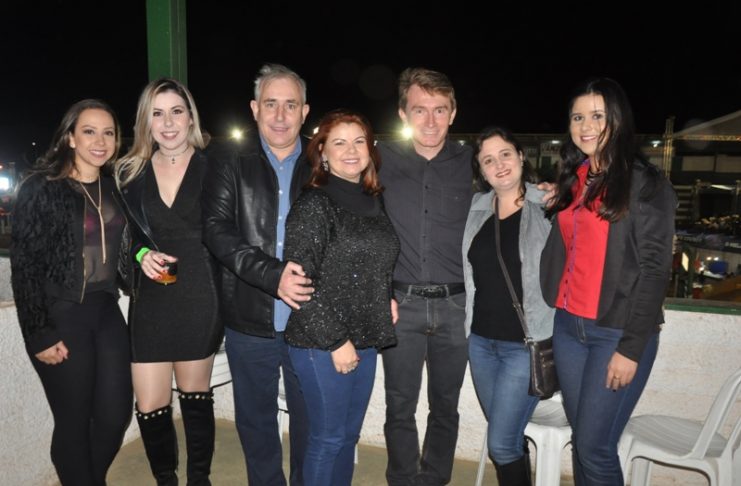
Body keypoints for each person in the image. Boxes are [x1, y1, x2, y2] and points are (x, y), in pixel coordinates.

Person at [540, 77, 676, 485]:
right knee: (584, 443)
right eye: (577, 117)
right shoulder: (575, 179)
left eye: (597, 116)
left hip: (615, 332)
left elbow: (655, 271)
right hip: (568, 327)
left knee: (594, 449)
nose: (586, 126)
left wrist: (630, 349)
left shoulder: (645, 184)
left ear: (618, 120)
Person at [10, 99, 132, 485]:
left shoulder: (115, 188)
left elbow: (129, 248)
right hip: (61, 313)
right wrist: (39, 334)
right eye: (89, 131)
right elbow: (24, 267)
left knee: (115, 415)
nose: (100, 141)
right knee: (73, 421)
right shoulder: (42, 188)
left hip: (106, 310)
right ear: (70, 138)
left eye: (108, 133)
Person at [202, 63, 311, 486]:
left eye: (291, 105)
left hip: (309, 321)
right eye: (271, 104)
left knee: (310, 422)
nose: (280, 115)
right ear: (254, 108)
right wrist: (273, 276)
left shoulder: (323, 162)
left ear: (305, 111)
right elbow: (216, 230)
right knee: (256, 423)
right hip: (248, 320)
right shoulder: (228, 158)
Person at [284, 109, 400, 486]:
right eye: (339, 142)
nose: (351, 150)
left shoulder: (373, 200)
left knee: (348, 438)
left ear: (370, 149)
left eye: (359, 141)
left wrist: (387, 296)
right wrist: (336, 341)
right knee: (327, 439)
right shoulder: (313, 204)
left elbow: (374, 260)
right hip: (321, 342)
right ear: (322, 152)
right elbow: (299, 283)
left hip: (365, 336)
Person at [115, 77, 222, 485]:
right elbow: (122, 238)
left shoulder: (216, 167)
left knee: (196, 398)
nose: (168, 123)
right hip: (152, 300)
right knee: (149, 405)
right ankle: (166, 480)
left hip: (201, 296)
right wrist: (141, 255)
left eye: (177, 111)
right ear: (146, 122)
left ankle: (199, 479)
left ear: (190, 116)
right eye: (157, 114)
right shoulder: (129, 173)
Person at [378, 67, 473, 486]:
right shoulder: (379, 160)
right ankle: (402, 479)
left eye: (440, 110)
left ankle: (434, 479)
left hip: (457, 306)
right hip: (401, 304)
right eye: (420, 110)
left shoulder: (473, 163)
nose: (430, 120)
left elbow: (515, 194)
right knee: (399, 406)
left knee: (445, 407)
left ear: (453, 112)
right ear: (403, 114)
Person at [462, 127, 553, 486]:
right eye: (488, 160)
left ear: (521, 156)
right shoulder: (475, 209)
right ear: (482, 171)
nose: (498, 164)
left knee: (500, 444)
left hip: (524, 346)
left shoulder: (548, 206)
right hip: (481, 344)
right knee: (509, 439)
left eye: (505, 154)